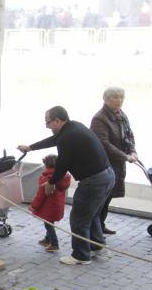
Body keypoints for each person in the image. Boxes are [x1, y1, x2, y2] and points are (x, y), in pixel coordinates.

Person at [18, 106, 114, 265]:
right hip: (107, 175)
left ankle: (81, 255)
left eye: (48, 122)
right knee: (93, 214)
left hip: (93, 180)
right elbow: (53, 141)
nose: (47, 126)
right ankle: (97, 247)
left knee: (78, 219)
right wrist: (31, 147)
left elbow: (63, 163)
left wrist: (51, 181)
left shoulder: (67, 137)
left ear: (57, 120)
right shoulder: (73, 127)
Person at [90, 86, 137, 235]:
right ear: (105, 99)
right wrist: (125, 156)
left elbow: (129, 135)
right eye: (115, 97)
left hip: (117, 163)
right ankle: (95, 230)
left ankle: (100, 225)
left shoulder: (120, 114)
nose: (119, 100)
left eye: (121, 97)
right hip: (105, 165)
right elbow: (103, 143)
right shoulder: (99, 118)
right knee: (101, 198)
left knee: (108, 197)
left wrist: (133, 151)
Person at [29, 154, 71, 253]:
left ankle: (54, 243)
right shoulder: (63, 177)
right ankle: (47, 239)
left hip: (48, 207)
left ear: (46, 165)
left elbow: (41, 195)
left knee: (48, 224)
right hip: (57, 206)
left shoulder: (46, 178)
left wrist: (33, 206)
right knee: (49, 223)